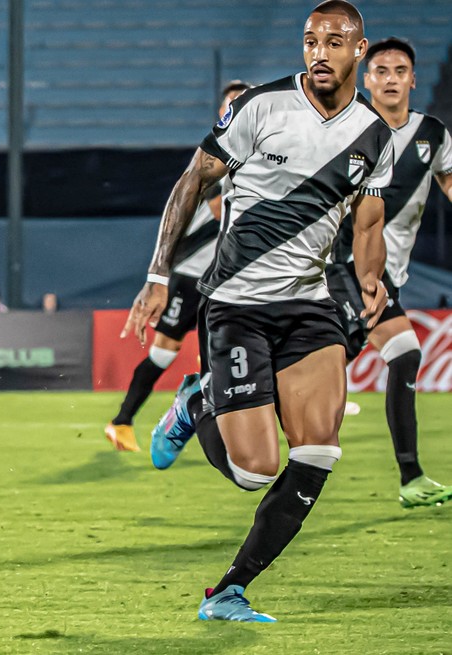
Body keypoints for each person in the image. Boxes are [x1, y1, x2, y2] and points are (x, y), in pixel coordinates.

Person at [124, 0, 394, 622]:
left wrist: (370, 275)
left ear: (360, 50)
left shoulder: (375, 134)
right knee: (254, 471)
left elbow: (368, 221)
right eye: (310, 40)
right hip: (237, 305)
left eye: (334, 41)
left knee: (318, 451)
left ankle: (228, 591)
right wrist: (158, 273)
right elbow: (192, 181)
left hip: (309, 306)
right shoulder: (262, 107)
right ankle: (195, 402)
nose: (319, 52)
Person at [326, 37, 452, 507]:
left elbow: (448, 180)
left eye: (400, 71)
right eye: (381, 71)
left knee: (326, 362)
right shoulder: (349, 128)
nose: (391, 79)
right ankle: (410, 476)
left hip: (386, 274)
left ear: (413, 80)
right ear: (367, 80)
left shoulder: (433, 134)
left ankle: (205, 395)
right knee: (401, 353)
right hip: (344, 264)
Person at [104, 81, 250, 452]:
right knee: (165, 353)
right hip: (192, 276)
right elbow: (221, 212)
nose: (238, 108)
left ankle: (211, 425)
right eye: (231, 103)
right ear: (222, 113)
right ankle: (123, 420)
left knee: (224, 357)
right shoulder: (220, 160)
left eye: (244, 101)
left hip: (225, 280)